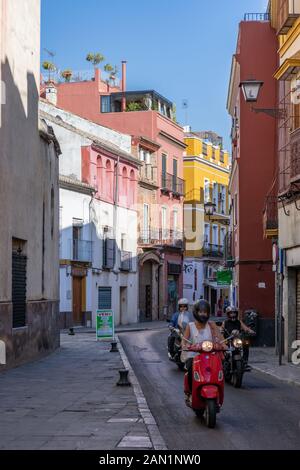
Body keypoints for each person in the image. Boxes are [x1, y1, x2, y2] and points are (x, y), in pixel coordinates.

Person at [182, 300, 225, 398]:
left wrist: (224, 345)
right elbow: (184, 339)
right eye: (200, 312)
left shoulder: (211, 324)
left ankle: (218, 392)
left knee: (219, 370)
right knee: (190, 370)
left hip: (210, 355)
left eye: (205, 312)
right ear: (196, 312)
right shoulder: (190, 325)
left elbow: (220, 336)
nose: (203, 314)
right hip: (194, 355)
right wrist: (184, 345)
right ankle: (190, 392)